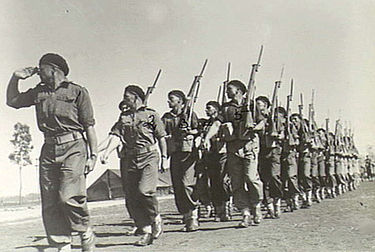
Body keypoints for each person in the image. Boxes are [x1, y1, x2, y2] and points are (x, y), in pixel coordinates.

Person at [6, 53, 97, 252]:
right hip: (48, 148)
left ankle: (84, 231)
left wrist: (93, 155)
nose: (38, 72)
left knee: (69, 196)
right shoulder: (39, 92)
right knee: (50, 200)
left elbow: (89, 126)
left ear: (54, 69)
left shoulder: (77, 91)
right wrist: (15, 78)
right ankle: (62, 243)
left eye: (41, 68)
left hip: (74, 146)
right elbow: (12, 101)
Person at [100, 84, 168, 246]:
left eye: (127, 96)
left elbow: (161, 137)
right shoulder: (124, 117)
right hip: (130, 159)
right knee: (131, 196)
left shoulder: (151, 115)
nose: (124, 99)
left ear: (136, 97)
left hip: (149, 156)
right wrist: (105, 152)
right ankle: (145, 230)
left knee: (145, 191)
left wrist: (164, 157)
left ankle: (155, 217)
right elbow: (115, 136)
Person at [203, 80, 263, 227]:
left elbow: (262, 122)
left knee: (250, 177)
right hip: (233, 147)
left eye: (229, 89)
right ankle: (245, 213)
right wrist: (207, 138)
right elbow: (217, 124)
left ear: (239, 91)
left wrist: (254, 128)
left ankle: (256, 204)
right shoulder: (226, 108)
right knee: (236, 182)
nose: (227, 91)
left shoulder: (251, 105)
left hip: (249, 145)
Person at [162, 90, 200, 231]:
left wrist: (190, 131)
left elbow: (198, 130)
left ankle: (193, 216)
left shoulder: (190, 114)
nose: (169, 102)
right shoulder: (166, 117)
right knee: (177, 186)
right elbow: (160, 131)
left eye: (171, 99)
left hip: (188, 153)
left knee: (186, 184)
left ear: (180, 101)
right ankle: (186, 216)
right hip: (174, 153)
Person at [200, 101, 231, 222]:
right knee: (213, 183)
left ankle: (226, 206)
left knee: (223, 181)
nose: (206, 110)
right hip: (210, 155)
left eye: (209, 108)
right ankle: (219, 210)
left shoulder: (221, 120)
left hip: (222, 153)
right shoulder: (206, 123)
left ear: (216, 109)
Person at [257, 97, 284, 219]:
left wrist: (277, 135)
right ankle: (269, 207)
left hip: (274, 150)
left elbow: (283, 134)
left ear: (266, 105)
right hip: (261, 151)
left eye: (260, 104)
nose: (257, 107)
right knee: (264, 180)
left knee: (274, 177)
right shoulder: (256, 118)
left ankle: (277, 202)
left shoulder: (275, 119)